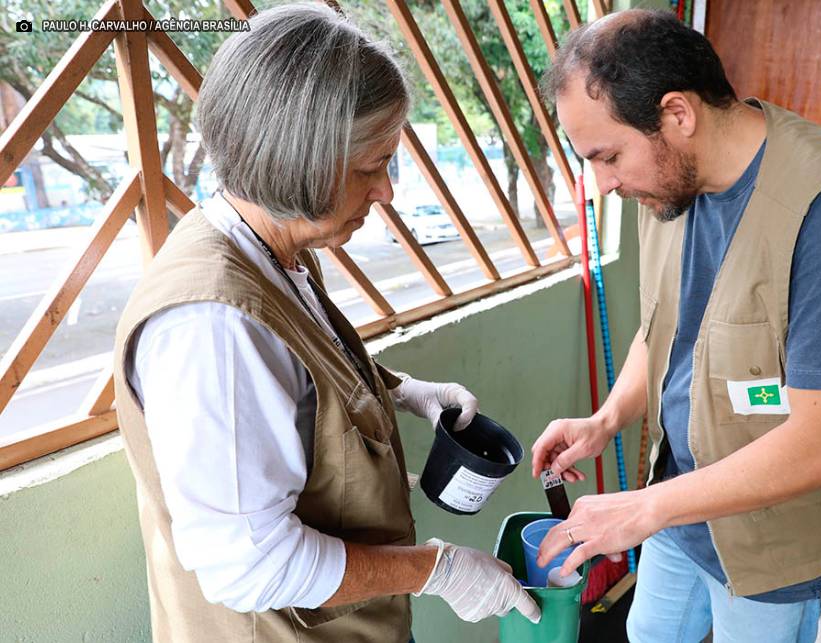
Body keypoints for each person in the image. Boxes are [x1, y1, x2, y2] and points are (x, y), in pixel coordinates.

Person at [113, 4, 537, 642]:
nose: (387, 192)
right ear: (299, 160)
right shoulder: (214, 328)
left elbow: (299, 374)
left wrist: (399, 392)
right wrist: (438, 571)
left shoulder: (267, 250)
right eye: (373, 166)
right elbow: (250, 566)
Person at [531, 9, 821, 643]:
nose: (604, 184)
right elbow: (664, 330)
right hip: (680, 502)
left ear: (677, 114)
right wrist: (607, 420)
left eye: (608, 156)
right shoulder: (669, 187)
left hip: (779, 531)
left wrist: (640, 509)